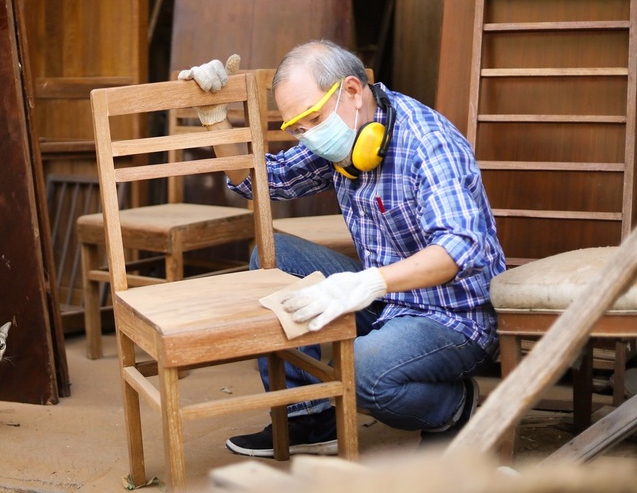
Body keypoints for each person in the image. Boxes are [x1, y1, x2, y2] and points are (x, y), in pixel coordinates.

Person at [177, 40, 505, 456]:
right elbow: (263, 180)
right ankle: (309, 418)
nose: (308, 136)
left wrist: (367, 283)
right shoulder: (341, 135)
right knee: (273, 257)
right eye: (297, 128)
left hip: (454, 317)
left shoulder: (428, 141)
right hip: (387, 299)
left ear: (352, 91)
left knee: (362, 371)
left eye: (312, 119)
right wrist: (216, 118)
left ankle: (453, 407)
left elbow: (461, 247)